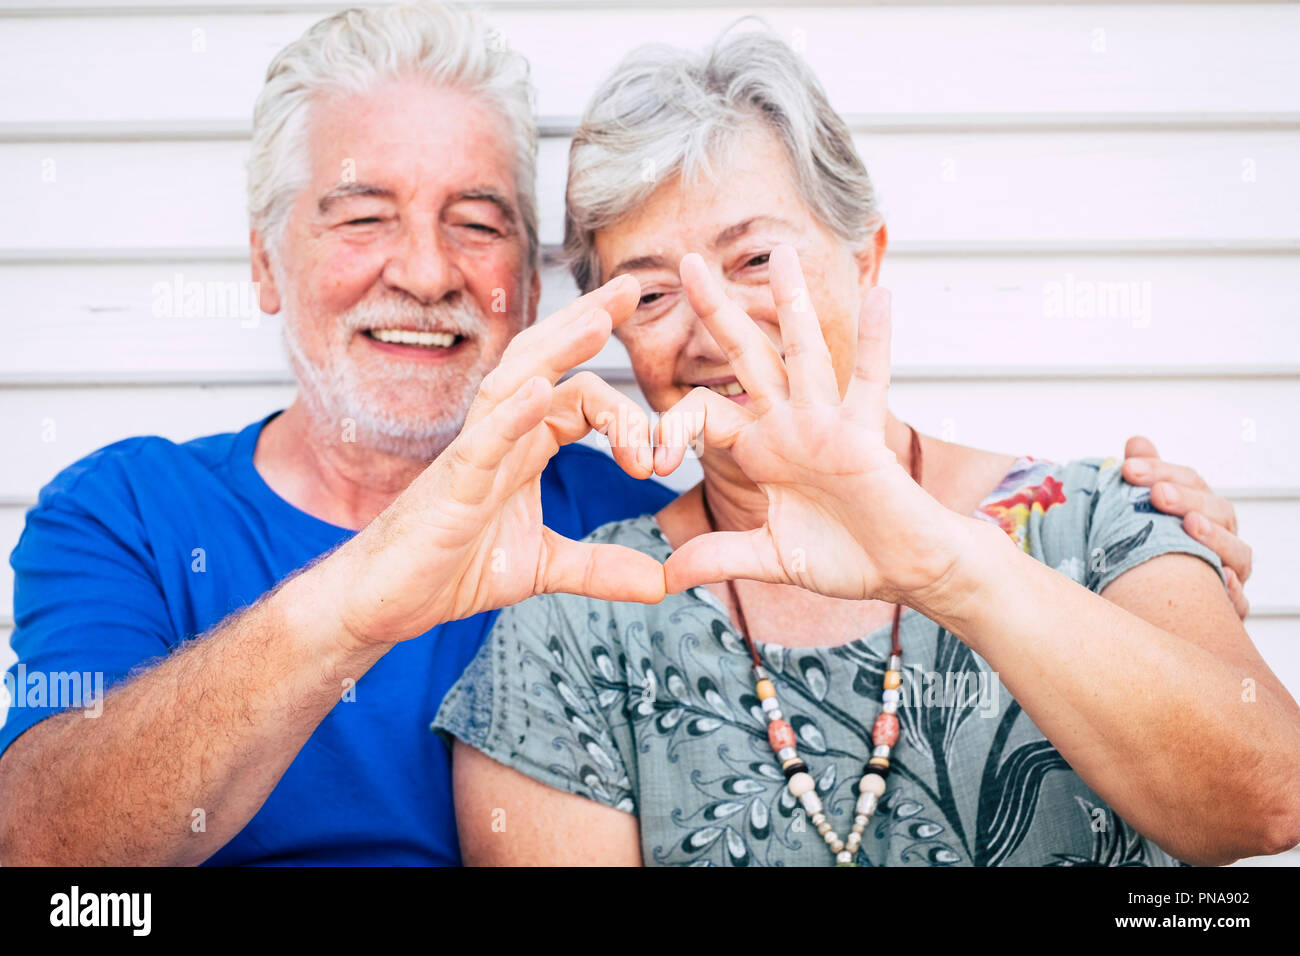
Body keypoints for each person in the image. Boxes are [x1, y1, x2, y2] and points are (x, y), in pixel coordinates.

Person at [0, 2, 1253, 866]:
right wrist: (364, 597)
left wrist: (1135, 545)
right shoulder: (129, 512)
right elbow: (42, 853)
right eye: (362, 215)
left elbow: (1249, 781)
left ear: (535, 293)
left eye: (480, 222)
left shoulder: (639, 522)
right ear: (264, 265)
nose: (426, 270)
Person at [433, 29, 1300, 866]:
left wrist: (948, 568)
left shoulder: (1105, 518)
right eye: (653, 295)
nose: (720, 331)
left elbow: (1269, 801)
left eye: (757, 259)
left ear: (865, 259)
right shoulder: (575, 623)